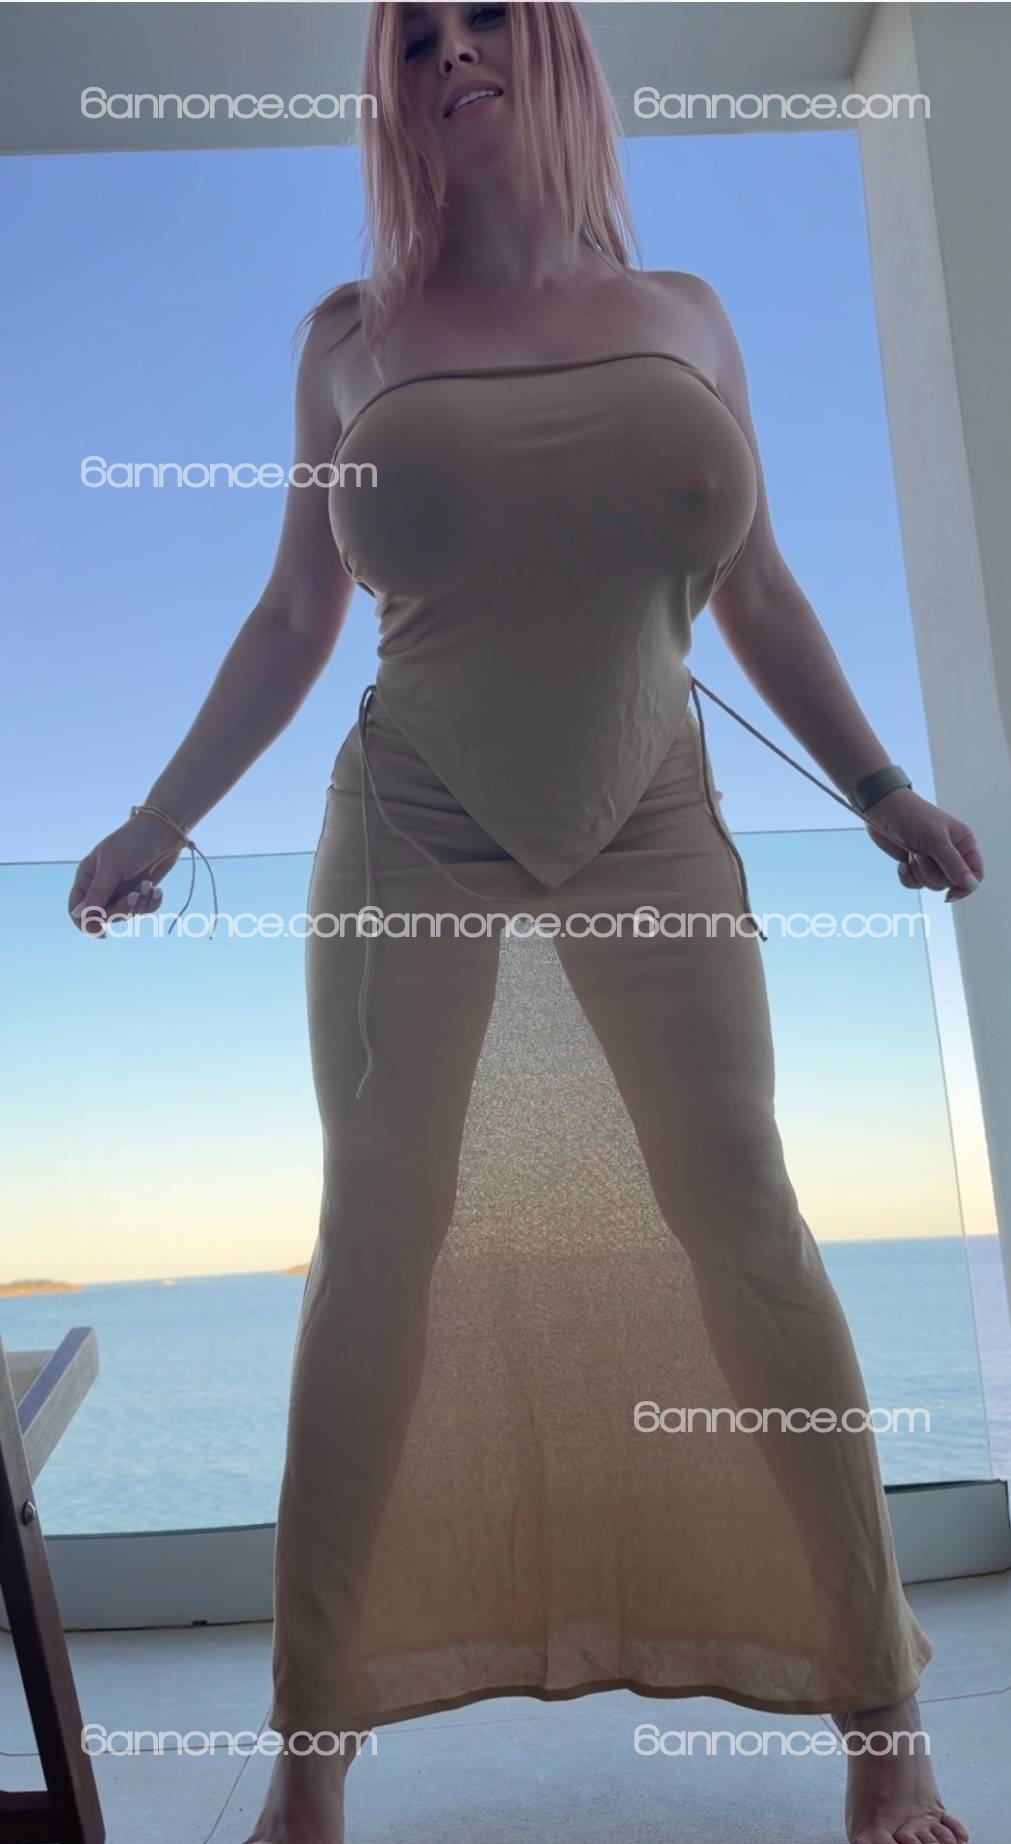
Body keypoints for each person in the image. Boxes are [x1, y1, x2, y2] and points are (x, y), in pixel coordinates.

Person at [68, 6, 982, 1841]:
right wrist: (160, 820)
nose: (452, 56)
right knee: (377, 1253)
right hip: (411, 824)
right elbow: (294, 615)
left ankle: (885, 1733)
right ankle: (309, 1768)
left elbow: (759, 586)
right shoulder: (347, 339)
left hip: (662, 822)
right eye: (414, 39)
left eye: (486, 16)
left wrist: (883, 790)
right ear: (389, 90)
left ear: (552, 49)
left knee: (748, 1227)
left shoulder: (690, 313)